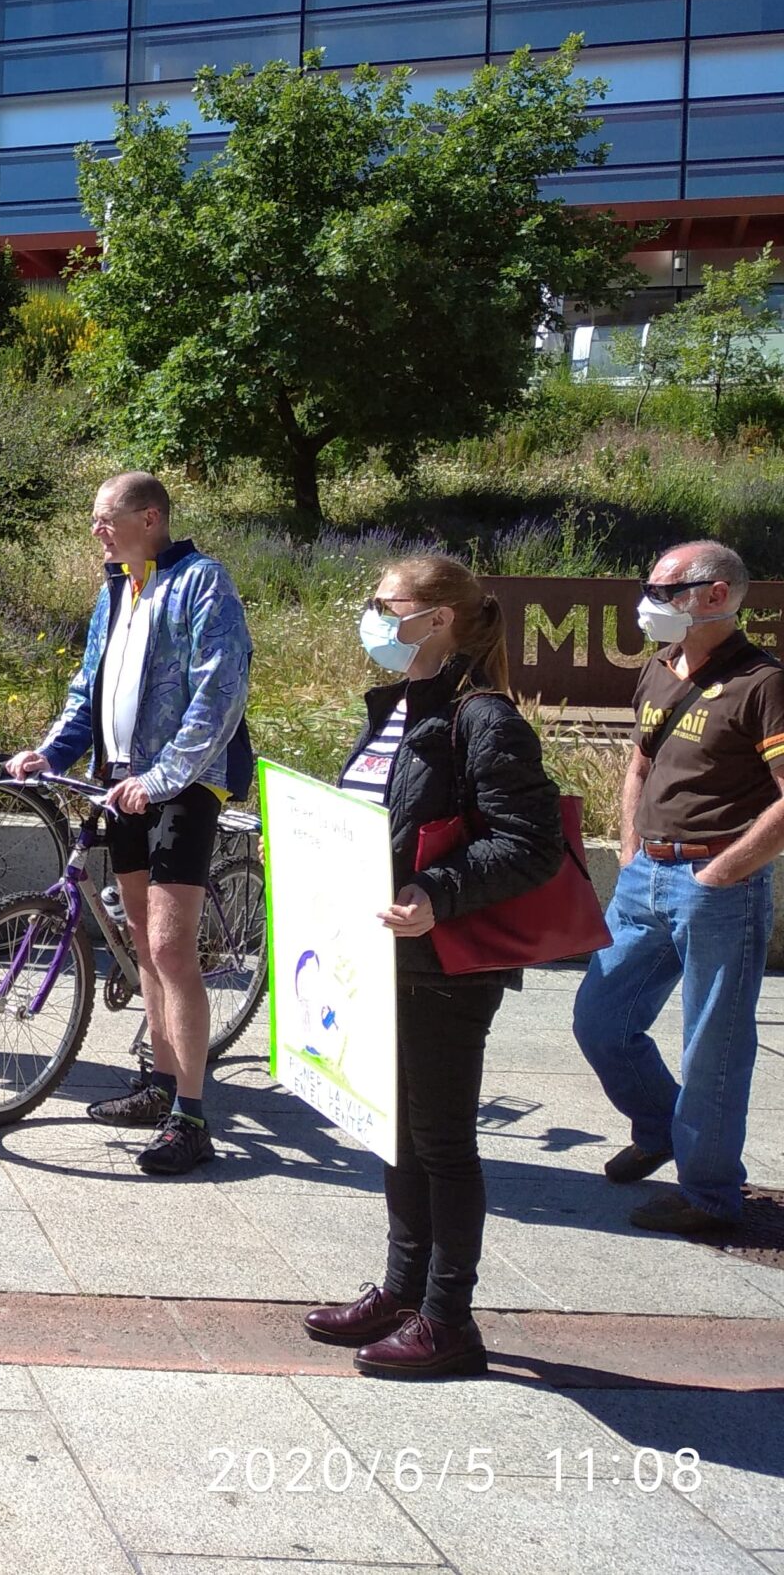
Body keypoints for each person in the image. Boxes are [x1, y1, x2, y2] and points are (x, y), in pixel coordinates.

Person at [301, 554, 563, 1379]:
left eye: (387, 604)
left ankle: (450, 1318)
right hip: (383, 959)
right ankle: (402, 1287)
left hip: (443, 966)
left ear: (441, 617)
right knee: (397, 1133)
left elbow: (531, 845)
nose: (373, 618)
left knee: (443, 1143)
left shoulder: (485, 718)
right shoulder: (399, 708)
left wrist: (436, 893)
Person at [6, 472, 252, 1175]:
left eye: (104, 518)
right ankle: (160, 1082)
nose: (95, 530)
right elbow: (88, 688)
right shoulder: (118, 589)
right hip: (123, 787)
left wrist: (166, 775)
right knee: (143, 942)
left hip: (182, 785)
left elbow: (220, 687)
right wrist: (49, 751)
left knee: (173, 949)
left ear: (149, 518)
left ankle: (191, 1116)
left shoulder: (204, 581)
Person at [573, 540, 784, 1239]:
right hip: (645, 878)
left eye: (665, 590)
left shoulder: (761, 682)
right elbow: (639, 765)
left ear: (717, 594)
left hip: (716, 885)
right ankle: (663, 1126)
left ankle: (712, 1196)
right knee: (600, 1018)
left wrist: (725, 869)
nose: (649, 602)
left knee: (713, 1045)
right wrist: (631, 847)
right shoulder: (661, 669)